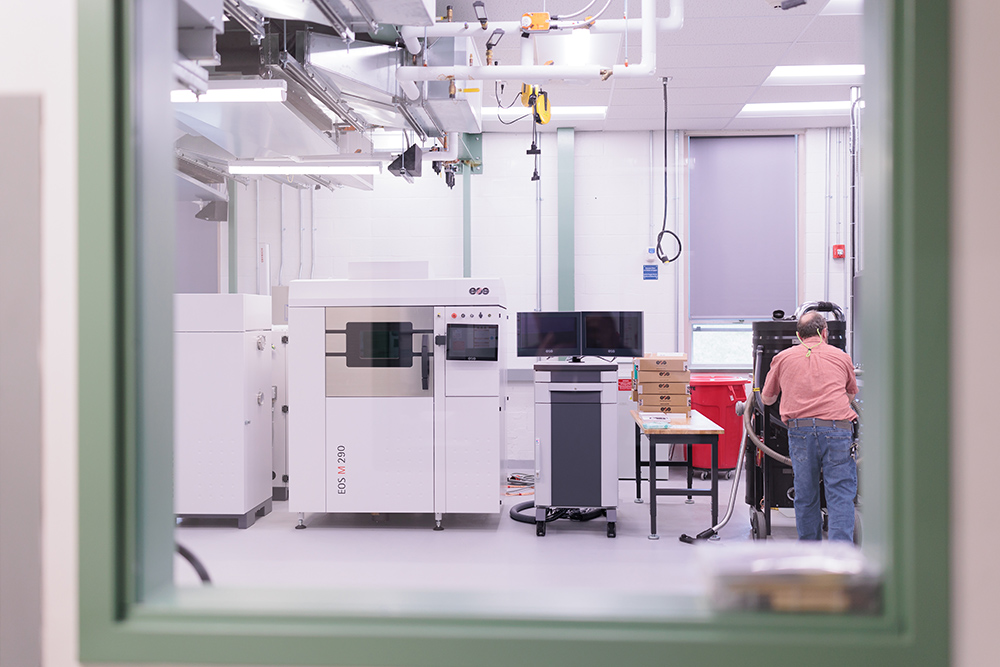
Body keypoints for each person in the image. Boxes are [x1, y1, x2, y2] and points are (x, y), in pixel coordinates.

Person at [760, 311, 859, 542]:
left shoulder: (782, 358)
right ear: (825, 333)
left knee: (805, 494)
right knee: (840, 494)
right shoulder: (841, 356)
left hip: (800, 431)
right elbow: (851, 393)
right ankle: (840, 555)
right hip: (838, 430)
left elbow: (767, 399)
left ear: (798, 335)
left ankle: (809, 552)